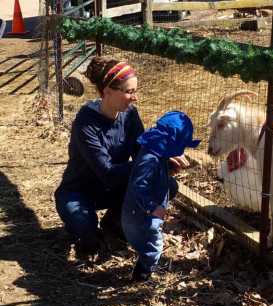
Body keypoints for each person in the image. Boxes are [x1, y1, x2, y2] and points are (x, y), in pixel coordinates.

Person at [54, 56, 188, 260]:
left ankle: (114, 223)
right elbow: (107, 173)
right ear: (107, 91)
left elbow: (142, 152)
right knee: (89, 240)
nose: (135, 97)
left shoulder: (129, 114)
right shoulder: (85, 123)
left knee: (167, 185)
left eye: (135, 91)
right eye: (129, 91)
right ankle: (87, 231)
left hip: (113, 189)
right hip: (80, 191)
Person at [121, 111, 200, 282]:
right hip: (142, 215)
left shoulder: (153, 152)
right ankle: (143, 274)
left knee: (146, 243)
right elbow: (139, 186)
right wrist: (152, 207)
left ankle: (143, 266)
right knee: (154, 245)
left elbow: (151, 177)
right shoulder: (150, 160)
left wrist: (168, 170)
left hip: (137, 212)